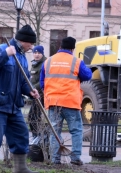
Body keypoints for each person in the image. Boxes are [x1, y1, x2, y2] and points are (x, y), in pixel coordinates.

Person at [0, 24, 40, 173]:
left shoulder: (22, 57)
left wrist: (30, 91)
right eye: (31, 43)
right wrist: (5, 55)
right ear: (23, 41)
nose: (32, 47)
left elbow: (23, 80)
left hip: (13, 105)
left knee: (21, 134)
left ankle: (20, 168)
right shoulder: (1, 49)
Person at [40, 36, 92, 165]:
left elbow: (42, 83)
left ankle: (54, 159)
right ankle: (75, 158)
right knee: (76, 130)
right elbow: (87, 75)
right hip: (70, 102)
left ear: (59, 47)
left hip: (53, 102)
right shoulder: (76, 61)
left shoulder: (48, 61)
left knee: (55, 131)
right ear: (72, 49)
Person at [28, 45, 47, 139]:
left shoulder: (44, 63)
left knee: (33, 117)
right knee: (33, 117)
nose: (37, 55)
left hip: (42, 95)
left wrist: (32, 88)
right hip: (35, 94)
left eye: (39, 53)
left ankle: (38, 137)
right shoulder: (34, 64)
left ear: (42, 54)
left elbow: (44, 80)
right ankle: (37, 137)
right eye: (35, 53)